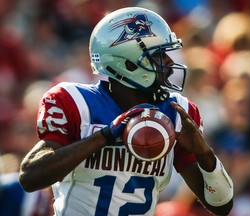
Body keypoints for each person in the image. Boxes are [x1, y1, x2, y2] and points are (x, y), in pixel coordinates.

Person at [19, 7, 233, 216]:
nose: (169, 62)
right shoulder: (76, 102)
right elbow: (30, 177)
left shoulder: (177, 112)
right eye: (159, 55)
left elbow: (221, 206)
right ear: (129, 64)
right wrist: (104, 137)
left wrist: (205, 154)